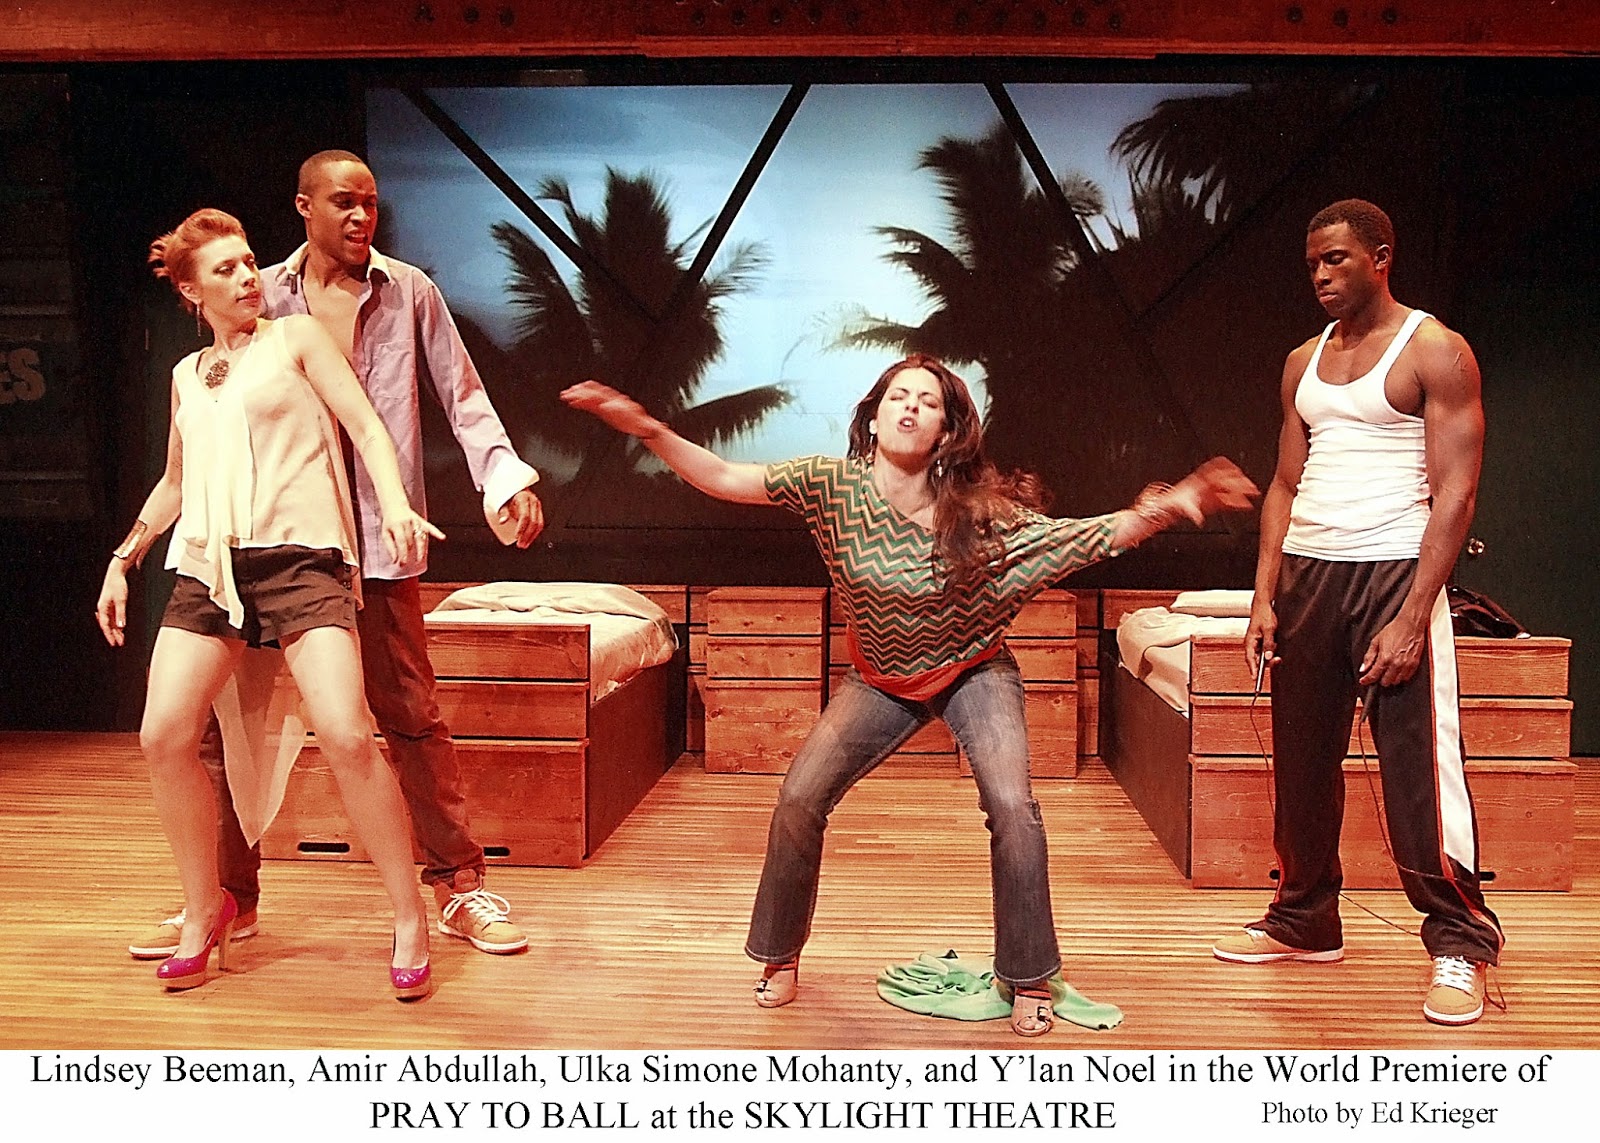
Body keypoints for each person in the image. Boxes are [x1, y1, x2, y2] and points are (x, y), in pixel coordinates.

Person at [563, 356, 1257, 1036]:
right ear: (873, 416)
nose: (910, 407)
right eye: (898, 395)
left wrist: (1172, 505)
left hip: (974, 669)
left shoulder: (979, 514)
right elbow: (722, 475)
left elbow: (1081, 539)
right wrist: (648, 428)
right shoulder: (831, 486)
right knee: (799, 797)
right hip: (880, 679)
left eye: (927, 401)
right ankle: (780, 954)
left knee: (1013, 808)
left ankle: (1028, 974)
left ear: (945, 430)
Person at [126, 151, 543, 962]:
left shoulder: (408, 290)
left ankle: (456, 885)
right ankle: (225, 898)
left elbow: (462, 396)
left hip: (375, 540)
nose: (360, 217)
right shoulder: (258, 291)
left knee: (406, 714)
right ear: (304, 207)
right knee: (211, 729)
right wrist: (132, 548)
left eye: (371, 204)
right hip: (261, 546)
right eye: (344, 203)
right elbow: (195, 442)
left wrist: (503, 480)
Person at [97, 208, 438, 998]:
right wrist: (123, 558)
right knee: (163, 735)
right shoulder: (187, 376)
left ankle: (409, 915)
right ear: (192, 291)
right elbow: (176, 481)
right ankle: (203, 907)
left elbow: (367, 428)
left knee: (347, 733)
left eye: (249, 261)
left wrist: (394, 504)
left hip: (301, 561)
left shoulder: (297, 340)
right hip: (210, 569)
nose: (248, 276)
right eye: (226, 269)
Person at [1212, 199, 1504, 1026]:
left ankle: (1460, 938)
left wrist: (1413, 614)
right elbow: (1284, 483)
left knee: (1418, 772)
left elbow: (1457, 493)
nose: (1321, 275)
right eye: (1312, 263)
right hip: (1309, 573)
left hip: (1394, 570)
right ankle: (1305, 918)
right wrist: (1264, 595)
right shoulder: (1301, 361)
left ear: (1381, 256)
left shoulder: (1435, 349)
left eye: (1336, 259)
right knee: (1302, 764)